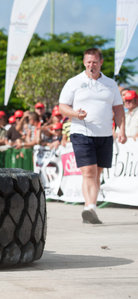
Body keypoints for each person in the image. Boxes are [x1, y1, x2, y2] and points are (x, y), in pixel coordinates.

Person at [59, 48, 126, 224]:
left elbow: (118, 109)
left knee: (97, 173)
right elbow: (62, 107)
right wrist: (75, 113)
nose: (91, 65)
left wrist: (122, 130)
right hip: (81, 132)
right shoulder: (74, 82)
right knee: (88, 171)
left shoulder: (110, 84)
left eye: (95, 62)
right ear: (84, 63)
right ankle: (89, 207)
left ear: (101, 63)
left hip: (104, 134)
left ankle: (90, 208)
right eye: (88, 62)